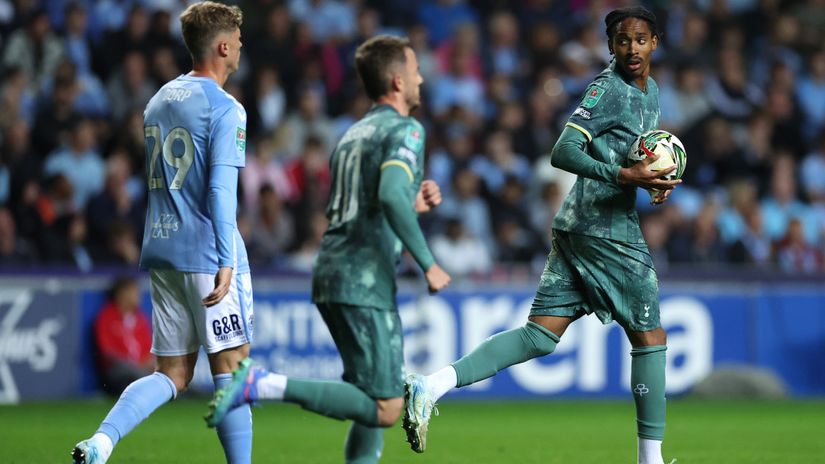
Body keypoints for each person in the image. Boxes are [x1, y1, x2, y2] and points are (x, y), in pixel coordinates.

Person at [402, 7, 680, 464]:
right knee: (651, 337)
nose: (632, 48)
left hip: (578, 226)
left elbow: (631, 157)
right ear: (610, 46)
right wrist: (623, 176)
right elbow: (563, 151)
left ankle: (430, 386)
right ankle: (650, 461)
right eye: (622, 40)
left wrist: (649, 181)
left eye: (641, 39)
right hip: (604, 230)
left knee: (540, 336)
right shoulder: (607, 89)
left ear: (655, 43)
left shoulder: (652, 93)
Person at [205, 35, 451, 463]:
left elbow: (367, 203)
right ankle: (261, 384)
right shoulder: (407, 129)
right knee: (386, 406)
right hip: (364, 278)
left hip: (332, 269)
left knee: (366, 395)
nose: (421, 79)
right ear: (397, 81)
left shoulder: (352, 133)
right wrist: (428, 262)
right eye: (415, 71)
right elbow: (389, 196)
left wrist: (412, 201)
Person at [72, 3, 253, 463]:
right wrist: (226, 258)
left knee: (172, 373)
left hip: (163, 249)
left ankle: (101, 442)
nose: (241, 46)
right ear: (223, 46)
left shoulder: (158, 100)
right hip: (207, 252)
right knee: (233, 368)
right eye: (237, 39)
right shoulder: (226, 108)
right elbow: (219, 189)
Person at [94, 278, 153, 395]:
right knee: (136, 374)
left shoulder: (141, 318)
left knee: (166, 370)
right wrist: (134, 365)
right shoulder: (106, 317)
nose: (138, 296)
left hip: (142, 368)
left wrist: (148, 362)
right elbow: (107, 352)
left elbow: (149, 349)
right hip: (119, 370)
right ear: (121, 294)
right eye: (134, 292)